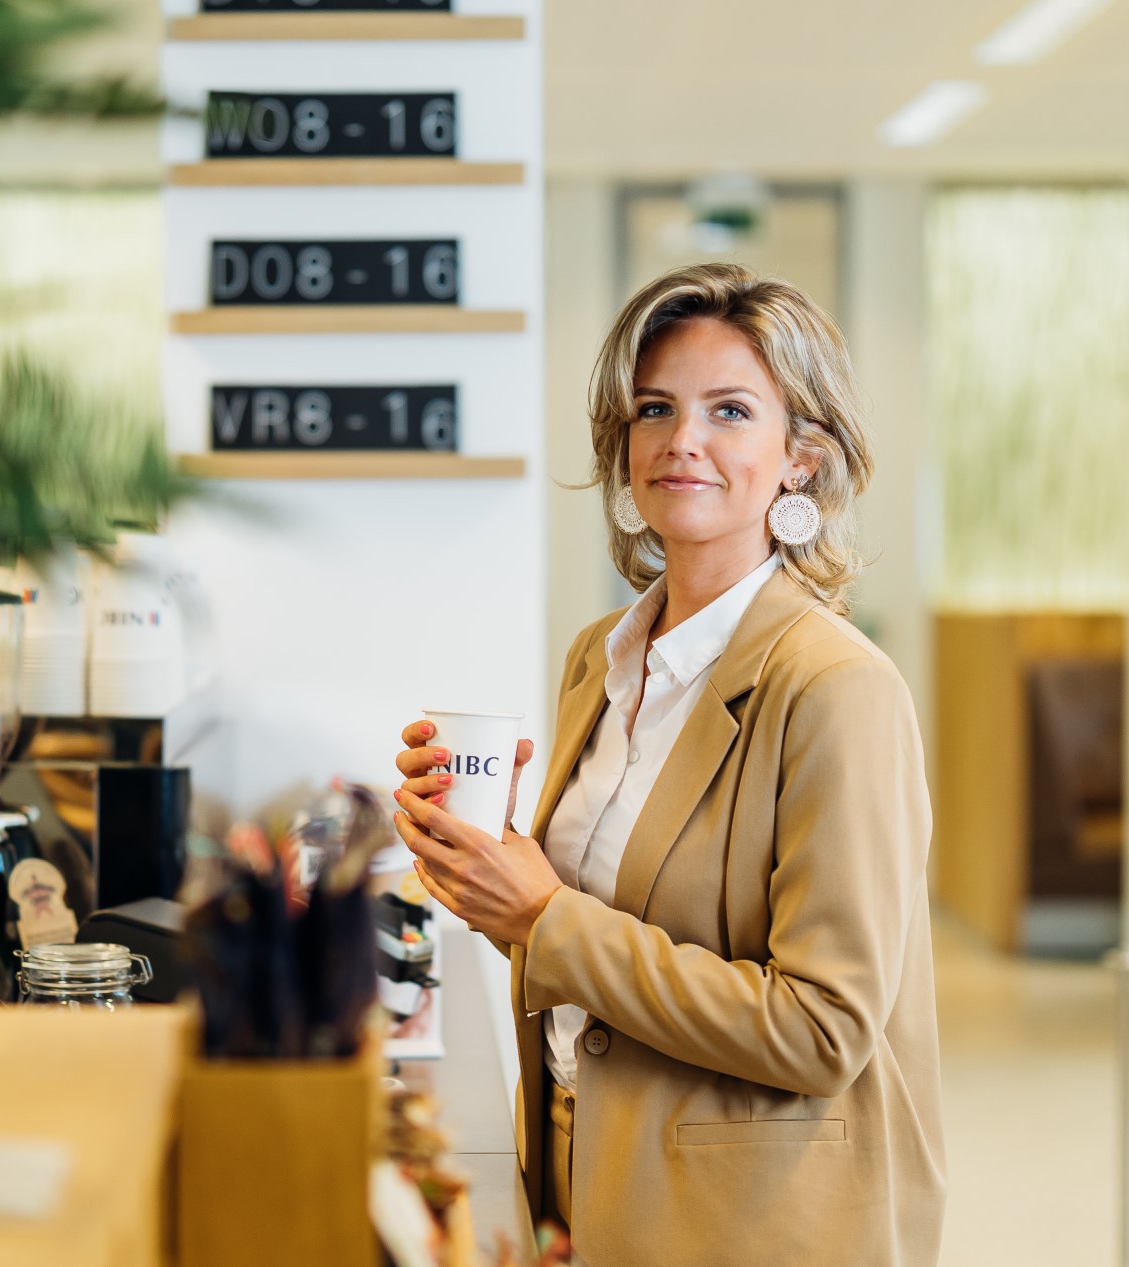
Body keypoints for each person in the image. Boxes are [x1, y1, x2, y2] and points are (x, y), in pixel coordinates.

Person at [391, 263, 945, 1266]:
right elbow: (599, 921)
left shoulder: (834, 690)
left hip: (746, 1216)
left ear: (801, 461)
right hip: (584, 1174)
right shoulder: (601, 656)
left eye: (729, 410)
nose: (681, 440)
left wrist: (543, 917)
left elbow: (822, 1030)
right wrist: (480, 856)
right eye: (655, 408)